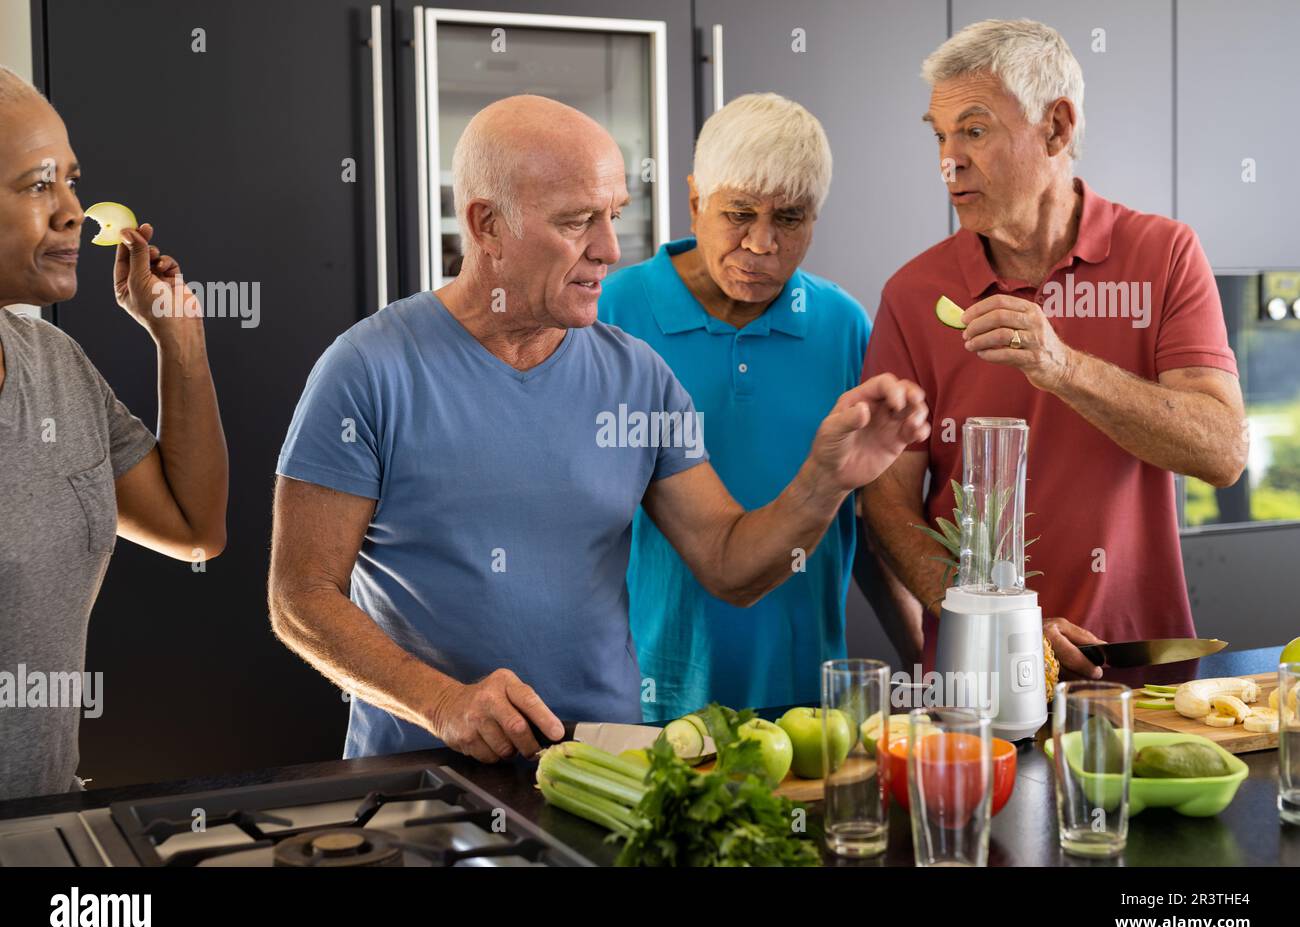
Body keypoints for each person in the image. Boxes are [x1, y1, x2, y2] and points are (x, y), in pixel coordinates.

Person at [269, 95, 930, 764]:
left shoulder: (637, 376)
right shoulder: (366, 368)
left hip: (609, 771)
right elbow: (300, 595)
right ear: (486, 224)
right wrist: (443, 701)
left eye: (613, 216)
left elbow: (729, 562)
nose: (609, 249)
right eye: (577, 221)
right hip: (422, 776)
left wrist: (825, 479)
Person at [861, 20, 1246, 688]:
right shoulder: (911, 293)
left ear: (1058, 128)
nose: (949, 161)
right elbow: (888, 505)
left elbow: (1223, 452)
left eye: (974, 131)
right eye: (939, 135)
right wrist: (996, 622)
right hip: (977, 686)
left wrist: (1062, 367)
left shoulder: (1164, 255)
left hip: (1140, 682)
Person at [600, 92, 891, 719]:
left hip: (805, 697)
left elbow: (873, 520)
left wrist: (938, 652)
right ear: (696, 201)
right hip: (639, 693)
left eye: (789, 219)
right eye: (739, 214)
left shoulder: (841, 324)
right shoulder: (608, 315)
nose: (761, 245)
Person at [0, 66, 229, 801]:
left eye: (71, 181)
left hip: (46, 816)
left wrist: (178, 341)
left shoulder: (54, 362)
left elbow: (194, 527)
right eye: (37, 186)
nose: (73, 212)